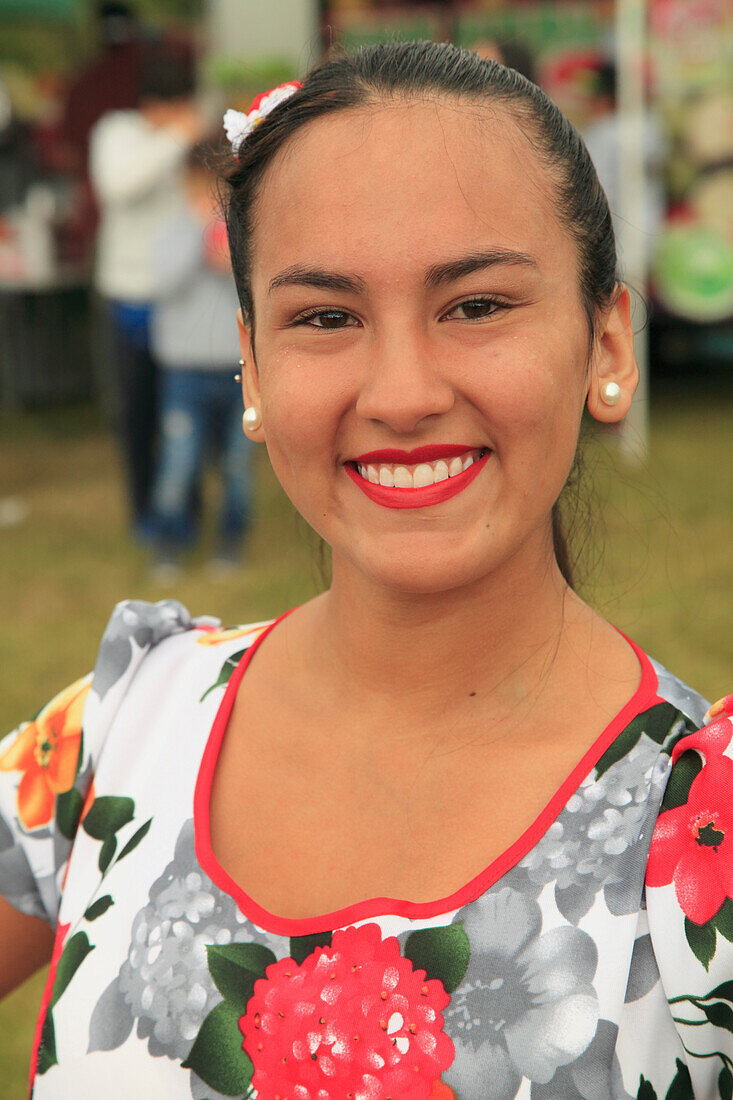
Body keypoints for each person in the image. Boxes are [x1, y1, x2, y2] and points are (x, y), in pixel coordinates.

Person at [0, 41, 730, 1100]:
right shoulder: (122, 729)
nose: (399, 391)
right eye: (326, 317)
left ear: (607, 345)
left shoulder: (700, 837)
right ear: (250, 364)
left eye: (476, 304)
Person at [89, 45, 204, 536]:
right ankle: (145, 514)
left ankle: (188, 512)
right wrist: (177, 138)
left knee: (183, 413)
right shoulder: (117, 132)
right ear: (154, 103)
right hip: (128, 298)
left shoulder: (188, 140)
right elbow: (118, 185)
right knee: (136, 414)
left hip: (181, 297)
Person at [147, 142, 256, 576]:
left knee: (236, 463)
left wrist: (232, 258)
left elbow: (256, 290)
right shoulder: (172, 229)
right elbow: (163, 283)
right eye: (195, 184)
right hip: (184, 371)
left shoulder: (242, 230)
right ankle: (168, 543)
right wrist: (197, 241)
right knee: (179, 461)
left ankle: (231, 542)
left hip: (235, 368)